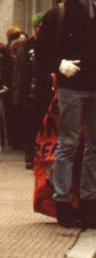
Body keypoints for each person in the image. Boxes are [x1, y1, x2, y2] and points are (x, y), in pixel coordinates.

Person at [36, 0, 96, 229]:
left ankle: (90, 202)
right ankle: (63, 202)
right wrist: (59, 65)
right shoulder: (57, 15)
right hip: (72, 87)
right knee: (67, 144)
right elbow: (42, 51)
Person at [13, 13, 52, 169]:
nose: (40, 30)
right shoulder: (26, 46)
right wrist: (18, 93)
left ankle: (41, 154)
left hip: (44, 92)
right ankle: (29, 155)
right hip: (29, 92)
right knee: (30, 126)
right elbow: (18, 71)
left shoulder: (49, 45)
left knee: (44, 126)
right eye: (37, 27)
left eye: (42, 27)